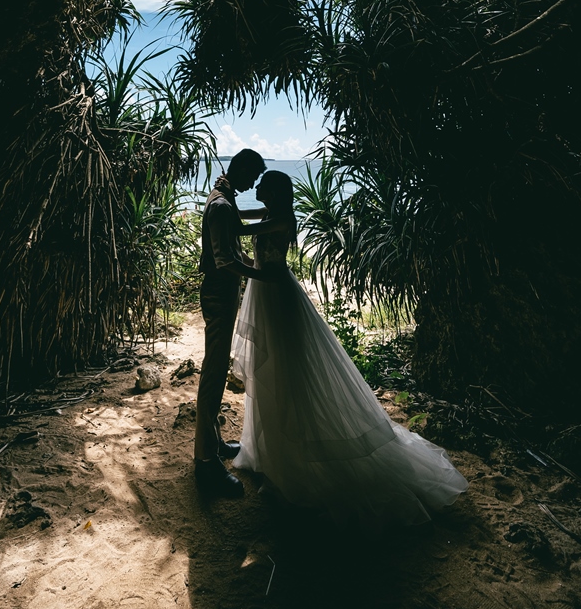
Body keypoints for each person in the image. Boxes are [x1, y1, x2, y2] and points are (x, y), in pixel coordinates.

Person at [231, 170, 469, 527]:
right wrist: (223, 203)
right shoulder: (268, 214)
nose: (258, 187)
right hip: (267, 298)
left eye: (264, 184)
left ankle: (293, 459)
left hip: (278, 299)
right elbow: (239, 220)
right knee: (274, 375)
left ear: (276, 192)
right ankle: (275, 455)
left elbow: (248, 240)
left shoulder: (280, 219)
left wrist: (237, 264)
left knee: (288, 376)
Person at [194, 148, 276, 498]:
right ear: (241, 169)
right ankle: (206, 463)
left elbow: (237, 224)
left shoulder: (225, 199)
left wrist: (270, 213)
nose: (254, 182)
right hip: (218, 296)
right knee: (213, 376)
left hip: (221, 295)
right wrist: (259, 275)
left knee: (215, 371)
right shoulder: (221, 204)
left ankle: (211, 443)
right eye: (253, 176)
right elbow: (225, 259)